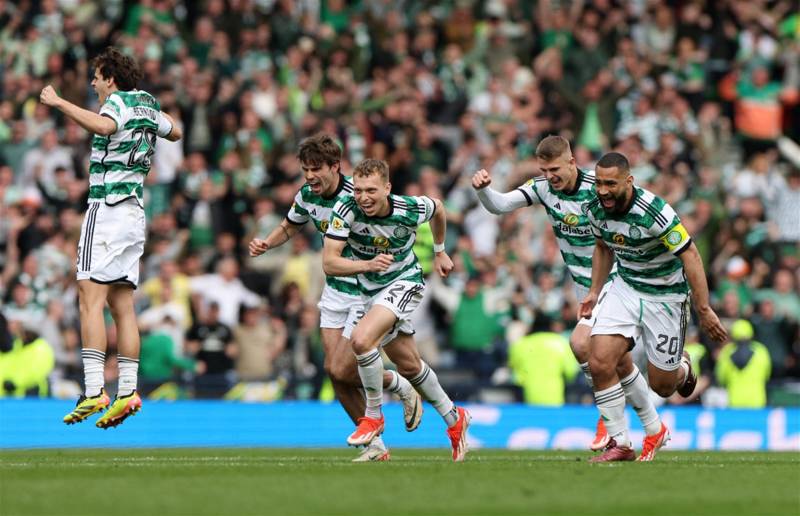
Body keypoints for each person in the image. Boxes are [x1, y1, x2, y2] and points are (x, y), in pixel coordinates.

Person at [472, 135, 660, 452]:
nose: (550, 177)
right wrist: (483, 190)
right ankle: (655, 427)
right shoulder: (544, 190)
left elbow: (635, 211)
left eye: (555, 169)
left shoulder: (598, 188)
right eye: (544, 170)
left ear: (572, 162)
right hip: (582, 286)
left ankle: (610, 424)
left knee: (580, 343)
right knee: (620, 363)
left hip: (614, 279)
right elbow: (500, 205)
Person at [249, 135, 423, 462]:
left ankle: (398, 384)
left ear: (335, 166)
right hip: (334, 291)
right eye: (305, 170)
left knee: (343, 370)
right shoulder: (305, 197)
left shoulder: (358, 196)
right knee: (334, 372)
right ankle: (376, 446)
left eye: (317, 169)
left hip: (364, 288)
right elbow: (289, 226)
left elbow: (390, 222)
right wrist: (267, 244)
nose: (310, 176)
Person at [41, 47, 182, 428]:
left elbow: (105, 127)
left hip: (107, 209)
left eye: (97, 77)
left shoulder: (116, 103)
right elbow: (176, 130)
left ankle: (92, 390)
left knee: (89, 295)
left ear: (110, 78)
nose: (93, 83)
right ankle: (127, 391)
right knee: (123, 304)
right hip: (135, 212)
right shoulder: (148, 104)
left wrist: (59, 103)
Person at [579, 151, 727, 462]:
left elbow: (691, 255)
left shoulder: (656, 212)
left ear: (628, 181)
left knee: (663, 387)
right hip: (626, 286)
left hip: (666, 295)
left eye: (610, 184)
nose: (602, 190)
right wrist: (594, 291)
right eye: (599, 183)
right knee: (600, 359)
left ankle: (681, 367)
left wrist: (704, 308)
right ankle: (620, 441)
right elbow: (603, 247)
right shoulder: (594, 207)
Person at [323, 158, 471, 462]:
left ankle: (374, 415)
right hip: (370, 291)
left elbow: (439, 208)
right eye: (359, 190)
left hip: (406, 282)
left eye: (371, 190)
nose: (363, 197)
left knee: (362, 341)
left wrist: (440, 252)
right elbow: (329, 262)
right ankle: (455, 419)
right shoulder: (346, 210)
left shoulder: (408, 208)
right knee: (410, 366)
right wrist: (366, 265)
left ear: (387, 188)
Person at [716, 319, 771, 408]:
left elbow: (721, 378)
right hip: (757, 401)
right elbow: (767, 375)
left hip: (734, 402)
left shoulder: (726, 352)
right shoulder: (761, 351)